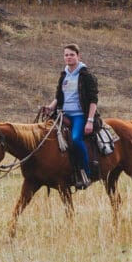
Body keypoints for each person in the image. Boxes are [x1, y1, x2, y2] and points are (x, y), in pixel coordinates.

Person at [41, 43, 98, 190]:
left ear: (78, 56)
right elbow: (59, 97)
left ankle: (86, 172)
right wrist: (50, 107)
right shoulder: (64, 75)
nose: (69, 57)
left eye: (72, 54)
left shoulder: (85, 75)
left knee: (75, 139)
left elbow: (93, 100)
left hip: (79, 115)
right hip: (63, 114)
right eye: (66, 55)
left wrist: (90, 120)